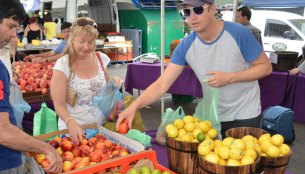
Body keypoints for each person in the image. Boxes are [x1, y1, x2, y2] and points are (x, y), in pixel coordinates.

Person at [116, 0, 272, 137]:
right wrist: (134, 107)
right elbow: (161, 84)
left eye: (198, 9)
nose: (192, 16)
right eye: (186, 11)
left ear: (212, 9)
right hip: (212, 117)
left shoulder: (238, 33)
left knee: (244, 166)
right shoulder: (185, 45)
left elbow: (265, 67)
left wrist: (229, 77)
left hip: (245, 113)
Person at [0, 0, 62, 174]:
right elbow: (3, 131)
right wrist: (45, 148)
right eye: (10, 26)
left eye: (16, 28)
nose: (14, 34)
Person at [50, 17, 123, 145]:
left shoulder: (100, 59)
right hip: (74, 133)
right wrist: (70, 122)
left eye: (91, 42)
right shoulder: (63, 65)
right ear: (72, 39)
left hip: (100, 129)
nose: (86, 46)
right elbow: (59, 104)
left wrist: (114, 83)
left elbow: (107, 88)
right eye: (82, 41)